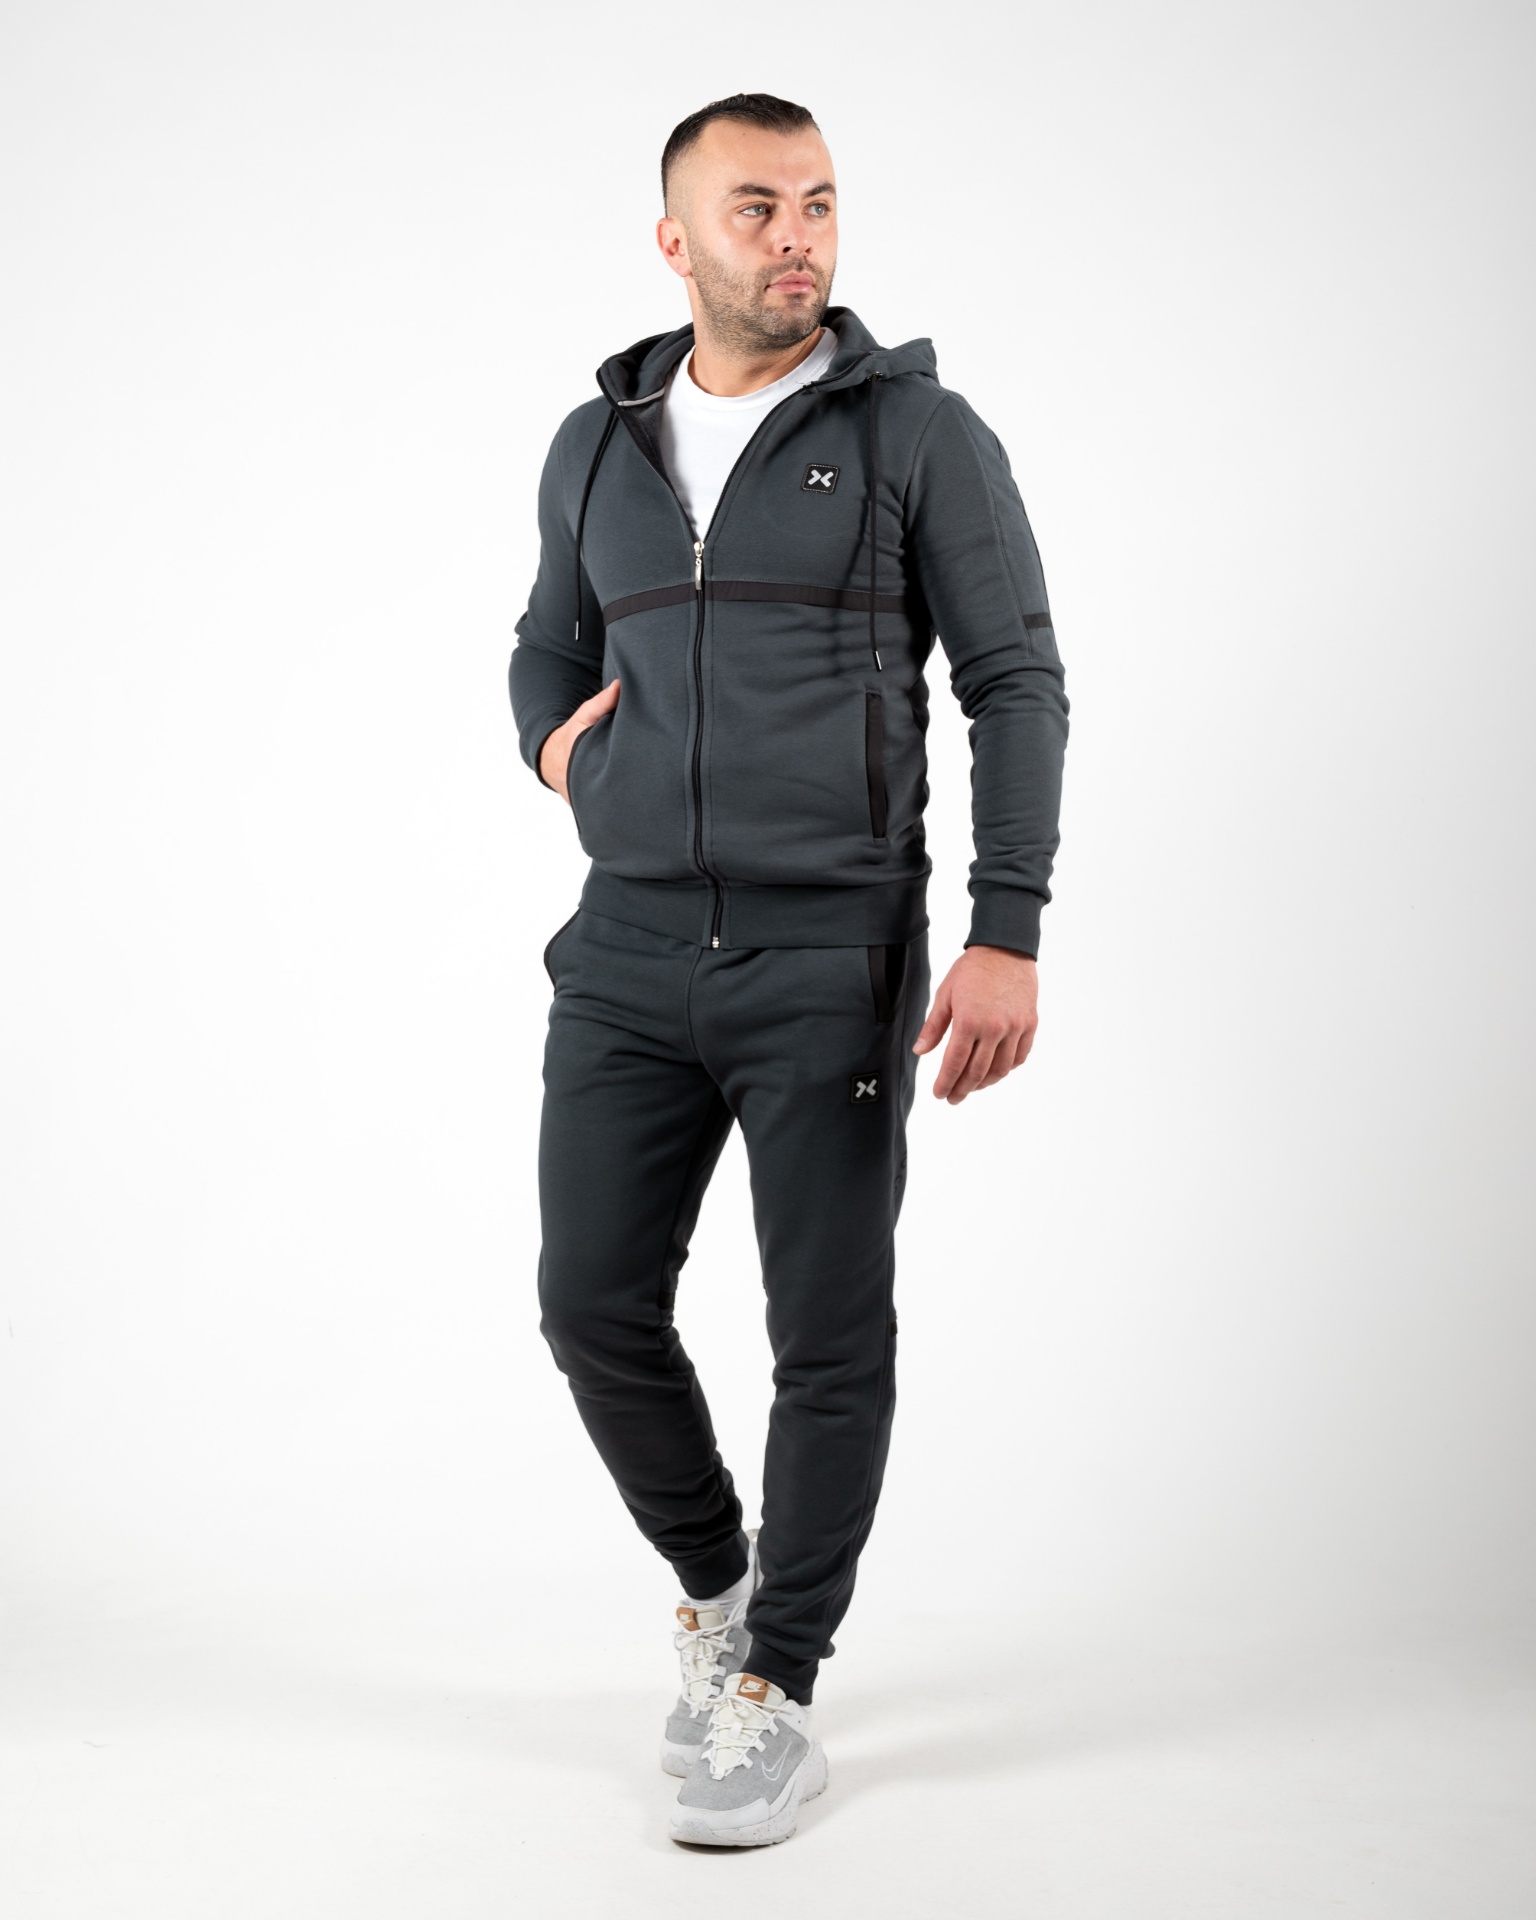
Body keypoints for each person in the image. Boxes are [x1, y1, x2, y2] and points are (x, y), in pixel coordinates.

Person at [508, 92, 1068, 1847]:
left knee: (825, 1332)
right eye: (756, 206)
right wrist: (559, 755)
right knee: (591, 1302)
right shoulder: (596, 444)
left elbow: (1016, 681)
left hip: (830, 950)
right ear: (675, 240)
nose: (797, 236)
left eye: (818, 202)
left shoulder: (916, 433)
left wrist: (1005, 926)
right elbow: (541, 648)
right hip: (624, 951)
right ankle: (720, 1588)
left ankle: (781, 1689)